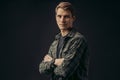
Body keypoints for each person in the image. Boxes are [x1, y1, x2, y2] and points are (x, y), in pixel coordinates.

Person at [39, 2, 89, 80]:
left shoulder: (78, 40)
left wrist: (51, 61)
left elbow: (66, 70)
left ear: (73, 18)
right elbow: (42, 69)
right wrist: (59, 62)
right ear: (56, 17)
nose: (62, 20)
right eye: (59, 16)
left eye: (66, 17)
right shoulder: (55, 42)